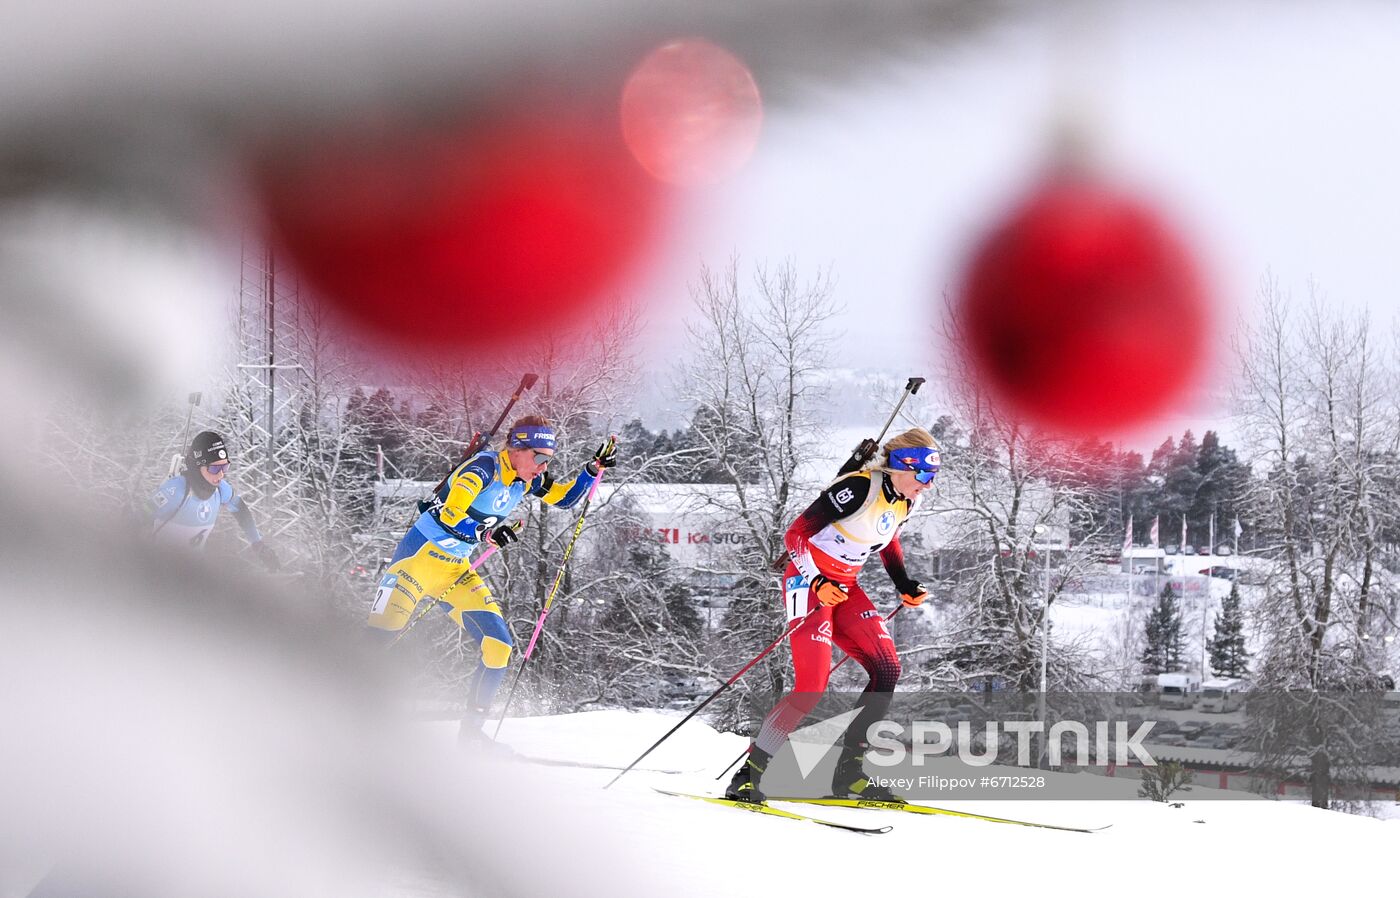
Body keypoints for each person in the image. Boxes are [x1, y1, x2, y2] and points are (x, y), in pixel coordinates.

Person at [368, 415, 616, 742]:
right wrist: (486, 533)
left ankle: (471, 736)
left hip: (453, 572)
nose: (543, 466)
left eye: (548, 459)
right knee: (376, 645)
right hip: (415, 564)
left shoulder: (524, 478)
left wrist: (591, 470)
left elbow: (565, 499)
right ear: (516, 448)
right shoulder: (483, 469)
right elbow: (450, 512)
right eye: (539, 457)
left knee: (499, 647)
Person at [724, 427, 940, 803]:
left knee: (886, 669)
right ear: (901, 466)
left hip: (845, 586)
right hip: (808, 582)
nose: (927, 485)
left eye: (932, 478)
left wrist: (904, 583)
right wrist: (817, 579)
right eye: (923, 476)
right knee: (811, 686)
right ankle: (748, 774)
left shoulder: (907, 500)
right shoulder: (859, 487)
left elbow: (886, 537)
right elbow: (795, 536)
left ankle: (849, 774)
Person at [149, 430, 280, 571]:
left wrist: (258, 545)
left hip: (193, 572)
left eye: (224, 467)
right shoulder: (178, 489)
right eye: (215, 468)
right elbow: (140, 516)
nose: (221, 474)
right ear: (198, 466)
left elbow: (241, 511)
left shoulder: (221, 490)